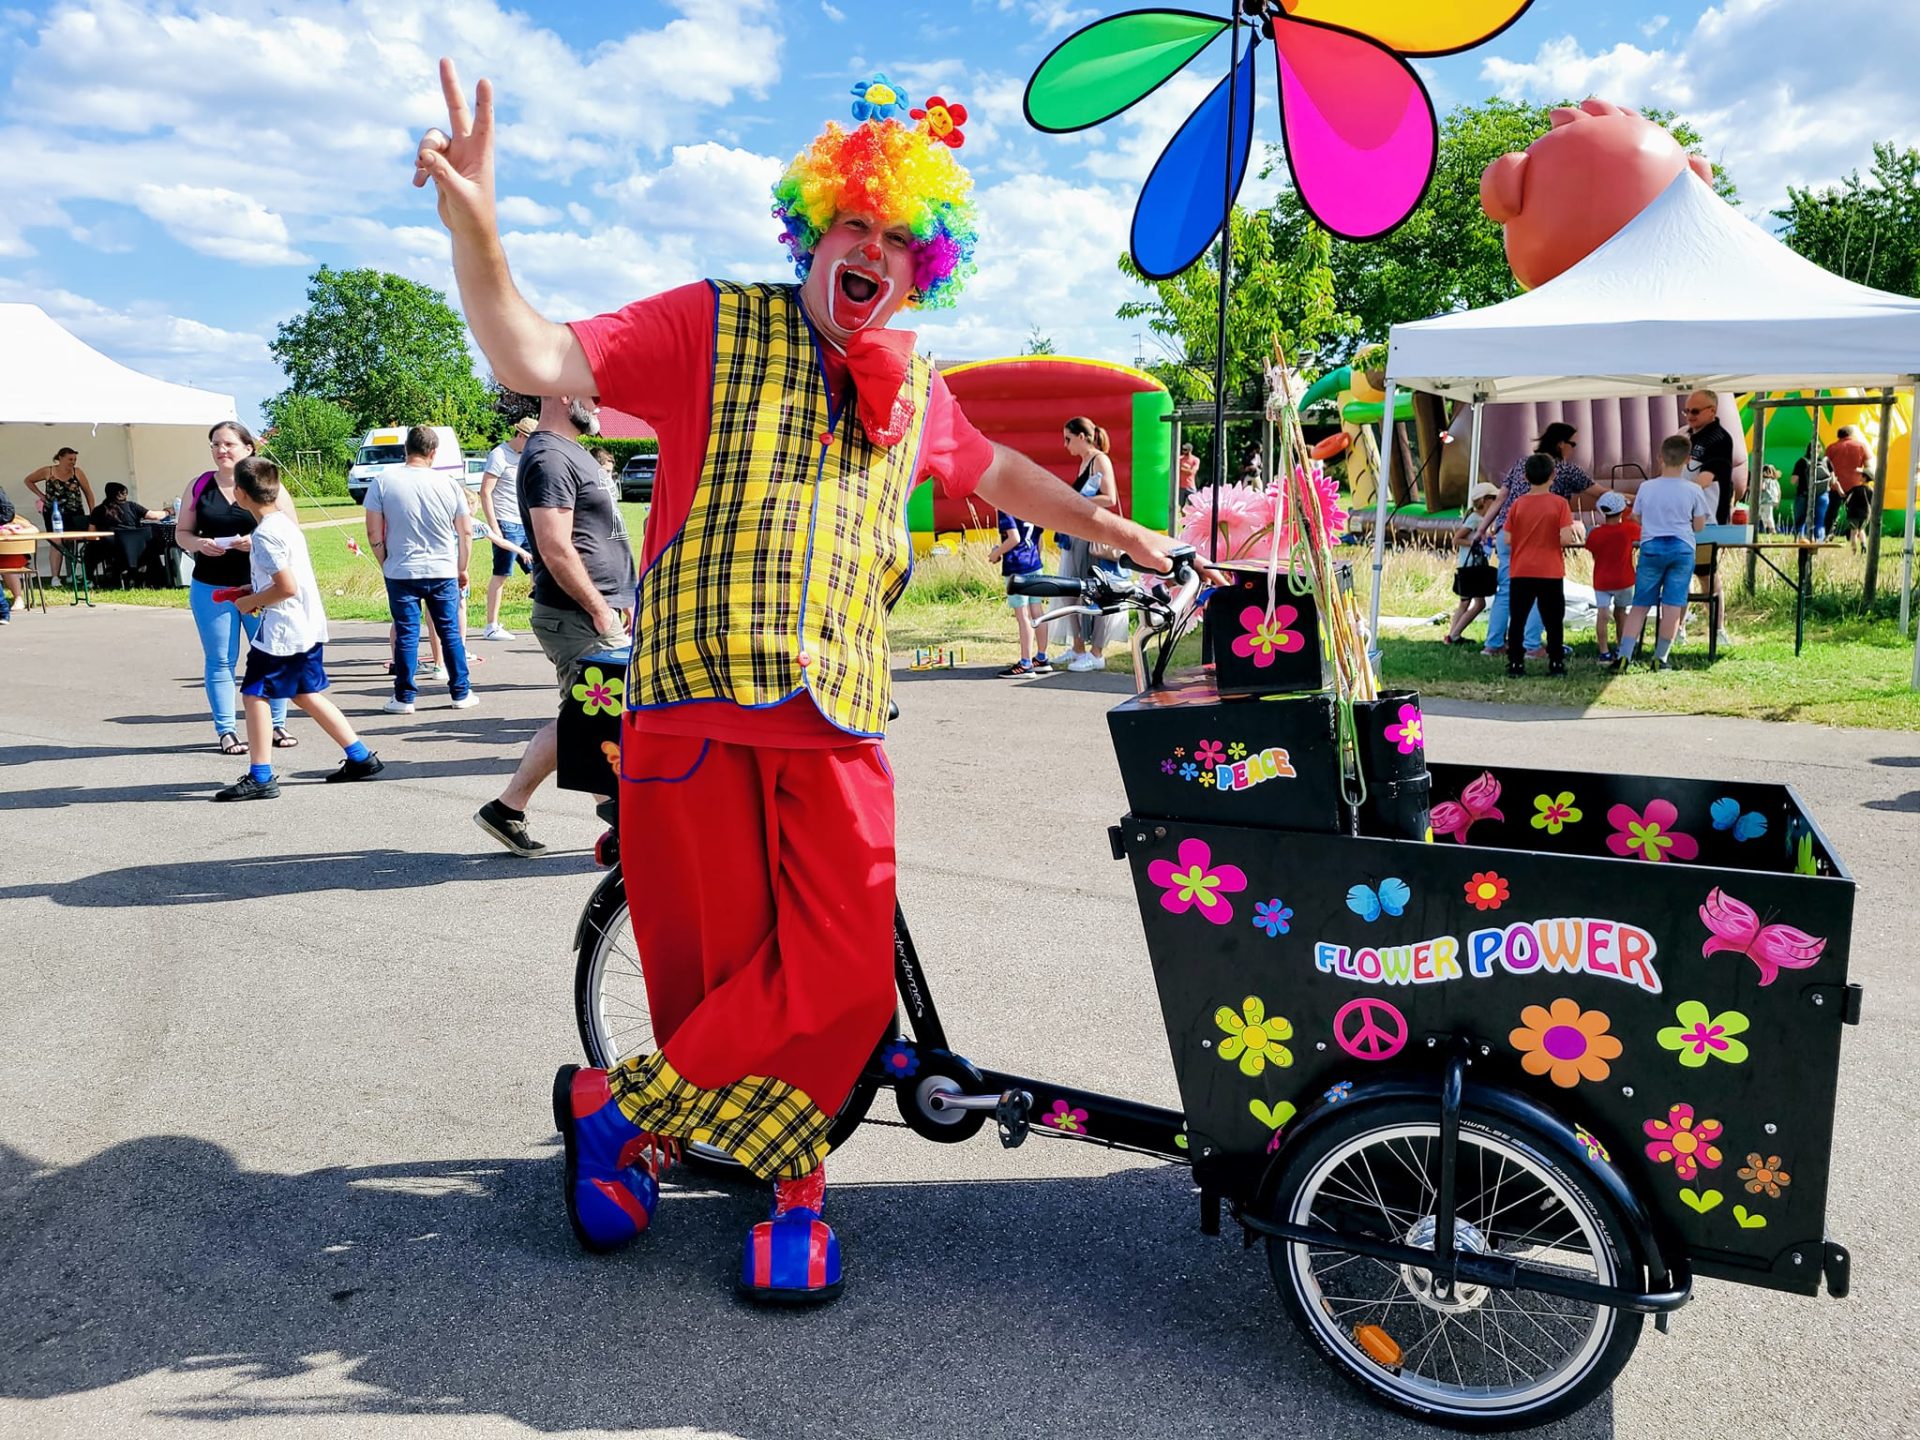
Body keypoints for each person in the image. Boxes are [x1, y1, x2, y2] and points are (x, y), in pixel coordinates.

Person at [415, 57, 1192, 1303]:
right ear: (812, 226)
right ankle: (790, 1193)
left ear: (922, 259)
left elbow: (1000, 477)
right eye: (851, 221)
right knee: (711, 971)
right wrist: (479, 230)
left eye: (896, 234)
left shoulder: (919, 383)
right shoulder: (710, 323)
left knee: (837, 977)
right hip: (688, 709)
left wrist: (1129, 535)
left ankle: (617, 1111)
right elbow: (532, 349)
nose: (869, 245)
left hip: (835, 717)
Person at [472, 393, 633, 857]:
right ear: (563, 394)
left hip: (594, 609)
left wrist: (619, 598)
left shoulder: (568, 451)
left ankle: (507, 808)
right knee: (600, 719)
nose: (602, 401)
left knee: (584, 718)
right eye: (593, 392)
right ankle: (622, 828)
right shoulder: (547, 456)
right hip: (578, 615)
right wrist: (599, 608)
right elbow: (554, 545)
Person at [211, 459, 386, 800]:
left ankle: (260, 775)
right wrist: (254, 591)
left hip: (282, 632)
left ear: (240, 493)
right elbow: (287, 582)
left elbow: (286, 587)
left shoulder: (265, 535)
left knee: (254, 694)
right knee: (304, 693)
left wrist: (251, 602)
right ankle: (361, 757)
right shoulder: (286, 525)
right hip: (305, 625)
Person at [175, 423, 295, 754]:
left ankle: (277, 724)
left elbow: (291, 533)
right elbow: (181, 533)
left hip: (261, 587)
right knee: (220, 659)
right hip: (211, 586)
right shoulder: (199, 486)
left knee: (271, 654)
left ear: (248, 448)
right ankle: (227, 730)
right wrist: (199, 543)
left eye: (228, 444)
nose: (221, 450)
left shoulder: (267, 483)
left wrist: (255, 543)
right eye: (215, 445)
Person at [365, 425, 478, 714]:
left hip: (401, 569)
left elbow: (373, 532)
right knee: (449, 632)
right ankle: (460, 692)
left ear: (406, 449)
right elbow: (465, 532)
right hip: (442, 568)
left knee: (407, 633)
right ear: (433, 453)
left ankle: (404, 697)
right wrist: (461, 567)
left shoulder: (383, 481)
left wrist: (384, 560)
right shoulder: (449, 484)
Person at [1476, 422, 1594, 659]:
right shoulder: (1564, 470)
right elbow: (1599, 491)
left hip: (1506, 533)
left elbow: (1501, 497)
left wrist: (1483, 526)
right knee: (1542, 591)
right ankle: (1531, 644)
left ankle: (1493, 643)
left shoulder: (1522, 463)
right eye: (1573, 444)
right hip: (1539, 540)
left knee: (1506, 591)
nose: (1574, 449)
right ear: (1561, 444)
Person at [1612, 435, 1712, 672]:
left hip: (1652, 547)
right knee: (1672, 605)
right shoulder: (1694, 490)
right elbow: (1699, 526)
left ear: (1660, 458)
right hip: (1681, 548)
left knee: (1640, 605)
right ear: (1688, 460)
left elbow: (1636, 516)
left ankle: (1624, 655)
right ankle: (1660, 658)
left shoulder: (1646, 487)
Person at [1502, 454, 1584, 677]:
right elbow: (1566, 538)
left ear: (1526, 476)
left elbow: (1507, 538)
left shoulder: (1518, 504)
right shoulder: (1559, 504)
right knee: (1553, 619)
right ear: (1553, 476)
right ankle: (1556, 662)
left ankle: (1516, 664)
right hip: (1550, 570)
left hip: (1521, 569)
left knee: (1518, 618)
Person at [1056, 416, 1123, 673]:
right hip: (1078, 533)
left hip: (1094, 535)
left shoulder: (1099, 460)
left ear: (1082, 437)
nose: (1065, 445)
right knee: (1070, 590)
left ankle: (1096, 652)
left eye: (1068, 439)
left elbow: (1110, 498)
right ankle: (1078, 647)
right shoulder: (1085, 461)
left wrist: (1077, 504)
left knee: (1095, 591)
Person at [1683, 391, 1735, 649]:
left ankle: (1718, 628)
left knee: (1706, 574)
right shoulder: (1684, 434)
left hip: (1707, 518)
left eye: (1695, 411)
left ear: (1712, 411)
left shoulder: (1720, 439)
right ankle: (1677, 628)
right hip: (1678, 518)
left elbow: (1705, 480)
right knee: (1679, 573)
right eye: (1686, 411)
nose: (1689, 416)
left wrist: (1674, 494)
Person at [479, 415, 536, 640]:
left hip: (525, 521)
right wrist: (494, 527)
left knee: (537, 571)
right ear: (521, 435)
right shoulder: (499, 455)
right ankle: (491, 625)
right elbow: (485, 491)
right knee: (502, 573)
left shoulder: (527, 456)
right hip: (505, 522)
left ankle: (540, 620)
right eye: (531, 439)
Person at [989, 509, 1049, 675]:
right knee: (1037, 610)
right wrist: (1035, 558)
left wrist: (996, 553)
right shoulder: (1030, 505)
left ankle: (1025, 663)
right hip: (1034, 563)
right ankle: (1042, 657)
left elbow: (1014, 538)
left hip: (1016, 567)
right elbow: (1040, 540)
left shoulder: (1006, 507)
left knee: (1023, 616)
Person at [1441, 482, 1501, 645]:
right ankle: (1454, 635)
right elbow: (1457, 539)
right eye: (1494, 499)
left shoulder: (1479, 518)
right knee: (1479, 603)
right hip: (1472, 568)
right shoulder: (1475, 519)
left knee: (1465, 603)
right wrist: (1476, 544)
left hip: (1468, 567)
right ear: (1485, 500)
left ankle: (1452, 636)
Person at [22, 447, 95, 580]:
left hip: (74, 511)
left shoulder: (77, 472)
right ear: (60, 458)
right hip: (53, 512)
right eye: (70, 459)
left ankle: (71, 574)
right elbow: (28, 480)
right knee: (57, 542)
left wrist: (92, 513)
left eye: (74, 460)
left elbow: (88, 492)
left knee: (71, 541)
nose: (72, 462)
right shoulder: (48, 471)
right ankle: (55, 576)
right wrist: (41, 495)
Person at [1584, 490, 1640, 662]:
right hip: (1624, 579)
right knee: (1621, 613)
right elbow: (1640, 529)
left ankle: (1603, 651)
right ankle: (1621, 646)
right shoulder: (1629, 529)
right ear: (1622, 510)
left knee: (1602, 614)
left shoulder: (1595, 533)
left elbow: (1591, 548)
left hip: (1602, 580)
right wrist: (1631, 510)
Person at [90, 483, 170, 531]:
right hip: (134, 548)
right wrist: (168, 512)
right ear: (119, 494)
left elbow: (91, 532)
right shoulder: (132, 506)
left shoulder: (97, 510)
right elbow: (154, 516)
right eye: (124, 493)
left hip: (108, 549)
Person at [1755, 464, 1781, 536]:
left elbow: (1762, 488)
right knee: (1764, 515)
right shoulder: (1775, 481)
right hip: (1769, 501)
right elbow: (1779, 491)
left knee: (1768, 516)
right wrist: (1778, 501)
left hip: (1765, 501)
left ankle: (1772, 529)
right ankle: (1767, 529)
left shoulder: (1765, 480)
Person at [1175, 442, 1199, 512]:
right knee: (1180, 507)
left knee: (1195, 505)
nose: (1183, 451)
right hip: (1181, 486)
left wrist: (1181, 468)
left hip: (1190, 486)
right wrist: (1187, 469)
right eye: (1183, 449)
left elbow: (1192, 472)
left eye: (1185, 449)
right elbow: (1175, 467)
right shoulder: (1179, 459)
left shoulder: (1195, 460)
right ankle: (1184, 521)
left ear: (1190, 450)